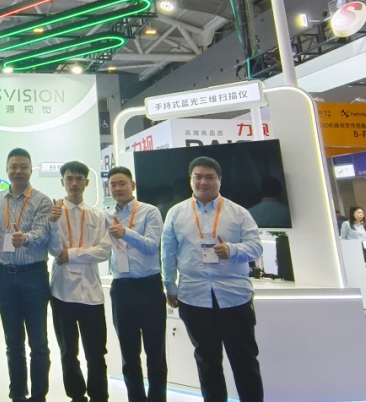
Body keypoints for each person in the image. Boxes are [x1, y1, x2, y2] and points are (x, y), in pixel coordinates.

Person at [162, 156, 264, 402]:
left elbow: (256, 247)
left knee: (244, 360)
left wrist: (233, 250)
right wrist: (170, 286)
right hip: (194, 298)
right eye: (198, 177)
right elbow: (168, 253)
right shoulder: (176, 213)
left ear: (219, 180)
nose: (203, 182)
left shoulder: (238, 212)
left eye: (209, 177)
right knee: (207, 362)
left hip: (234, 298)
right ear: (191, 180)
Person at [0, 148, 53, 402]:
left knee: (38, 343)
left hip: (33, 276)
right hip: (5, 276)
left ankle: (38, 396)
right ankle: (17, 394)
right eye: (13, 166)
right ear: (7, 169)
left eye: (23, 167)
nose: (18, 171)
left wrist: (25, 238)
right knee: (13, 342)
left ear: (30, 169)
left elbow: (43, 233)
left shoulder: (42, 200)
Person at [47, 161, 112, 402]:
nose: (74, 183)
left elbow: (104, 251)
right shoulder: (54, 213)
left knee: (96, 352)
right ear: (62, 182)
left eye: (79, 179)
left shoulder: (97, 215)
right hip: (62, 292)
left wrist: (72, 254)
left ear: (87, 182)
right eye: (69, 178)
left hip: (91, 293)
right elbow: (55, 251)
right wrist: (53, 223)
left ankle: (99, 396)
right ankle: (76, 395)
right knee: (68, 352)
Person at [105, 166, 167, 402]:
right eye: (113, 185)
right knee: (129, 354)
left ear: (133, 185)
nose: (117, 188)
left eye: (122, 183)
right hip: (121, 288)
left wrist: (126, 232)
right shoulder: (106, 216)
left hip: (149, 287)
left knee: (155, 352)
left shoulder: (150, 211)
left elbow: (152, 246)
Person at [340, 206, 366, 304]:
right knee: (355, 271)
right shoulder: (346, 224)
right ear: (353, 214)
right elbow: (343, 238)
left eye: (362, 213)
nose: (361, 215)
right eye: (358, 213)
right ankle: (355, 292)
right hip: (353, 249)